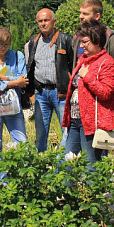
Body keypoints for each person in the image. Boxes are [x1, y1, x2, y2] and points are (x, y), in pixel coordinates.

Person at [63, 19, 114, 166]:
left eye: (85, 42)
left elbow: (106, 92)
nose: (81, 46)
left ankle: (96, 190)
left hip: (92, 123)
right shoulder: (83, 61)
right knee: (67, 163)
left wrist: (87, 76)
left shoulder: (107, 63)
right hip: (75, 119)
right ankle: (69, 190)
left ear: (97, 41)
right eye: (81, 42)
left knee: (92, 167)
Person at [26, 8, 74, 152]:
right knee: (40, 135)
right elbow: (31, 67)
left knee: (67, 131)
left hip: (60, 94)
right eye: (40, 21)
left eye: (46, 20)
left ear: (54, 21)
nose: (43, 24)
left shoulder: (65, 40)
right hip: (41, 94)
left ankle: (63, 165)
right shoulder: (33, 42)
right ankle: (41, 168)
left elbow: (73, 65)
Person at [0, 28, 29, 159]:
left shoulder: (17, 56)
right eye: (0, 44)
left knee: (22, 143)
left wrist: (3, 77)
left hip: (13, 106)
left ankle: (21, 178)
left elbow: (23, 78)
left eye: (6, 44)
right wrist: (15, 82)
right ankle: (1, 179)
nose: (3, 48)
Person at [73, 0, 114, 91]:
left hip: (100, 95)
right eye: (80, 13)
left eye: (85, 14)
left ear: (97, 16)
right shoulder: (77, 38)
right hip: (79, 94)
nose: (80, 17)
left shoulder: (111, 39)